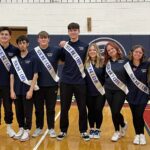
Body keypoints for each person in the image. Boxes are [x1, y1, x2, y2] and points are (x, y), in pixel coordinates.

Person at [57, 22, 90, 141]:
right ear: (68, 32)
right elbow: (61, 61)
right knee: (64, 108)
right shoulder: (64, 46)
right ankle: (63, 131)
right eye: (70, 30)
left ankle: (83, 131)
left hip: (80, 81)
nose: (73, 32)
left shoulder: (85, 46)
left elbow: (88, 62)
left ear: (79, 31)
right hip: (66, 81)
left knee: (82, 108)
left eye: (75, 30)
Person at [32, 31, 62, 138]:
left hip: (51, 85)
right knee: (38, 109)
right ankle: (39, 128)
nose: (43, 39)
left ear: (49, 39)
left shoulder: (56, 50)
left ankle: (51, 128)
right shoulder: (33, 52)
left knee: (51, 108)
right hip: (38, 86)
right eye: (41, 37)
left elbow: (65, 59)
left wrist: (65, 44)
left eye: (45, 37)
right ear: (38, 39)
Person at [10, 35, 38, 141]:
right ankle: (21, 128)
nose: (22, 44)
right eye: (20, 43)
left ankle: (27, 130)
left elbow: (35, 75)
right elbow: (12, 76)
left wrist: (31, 90)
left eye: (24, 42)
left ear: (27, 44)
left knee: (28, 111)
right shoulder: (15, 59)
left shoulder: (33, 58)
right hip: (17, 90)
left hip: (28, 91)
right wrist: (12, 90)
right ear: (18, 45)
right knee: (18, 111)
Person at [124, 45, 150, 145]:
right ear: (132, 52)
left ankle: (142, 135)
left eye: (140, 52)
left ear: (142, 54)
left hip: (143, 94)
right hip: (131, 95)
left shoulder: (146, 64)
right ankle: (137, 135)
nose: (138, 54)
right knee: (135, 115)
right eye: (136, 52)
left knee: (139, 114)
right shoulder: (127, 65)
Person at [104, 41, 128, 142]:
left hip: (120, 90)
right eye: (108, 50)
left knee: (115, 111)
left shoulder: (125, 60)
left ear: (117, 49)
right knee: (114, 112)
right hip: (109, 89)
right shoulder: (106, 62)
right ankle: (117, 130)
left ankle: (122, 125)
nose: (110, 51)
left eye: (112, 49)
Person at [0, 27, 19, 137]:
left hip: (8, 85)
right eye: (2, 34)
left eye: (6, 34)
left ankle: (9, 128)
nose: (4, 36)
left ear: (10, 36)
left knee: (8, 108)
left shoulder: (15, 50)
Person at [84, 43, 105, 139]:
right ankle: (92, 128)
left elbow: (106, 78)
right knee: (91, 111)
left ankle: (97, 129)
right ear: (88, 52)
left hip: (100, 92)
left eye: (94, 50)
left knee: (98, 110)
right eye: (90, 50)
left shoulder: (102, 63)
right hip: (88, 92)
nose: (92, 51)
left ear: (97, 51)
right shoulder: (85, 63)